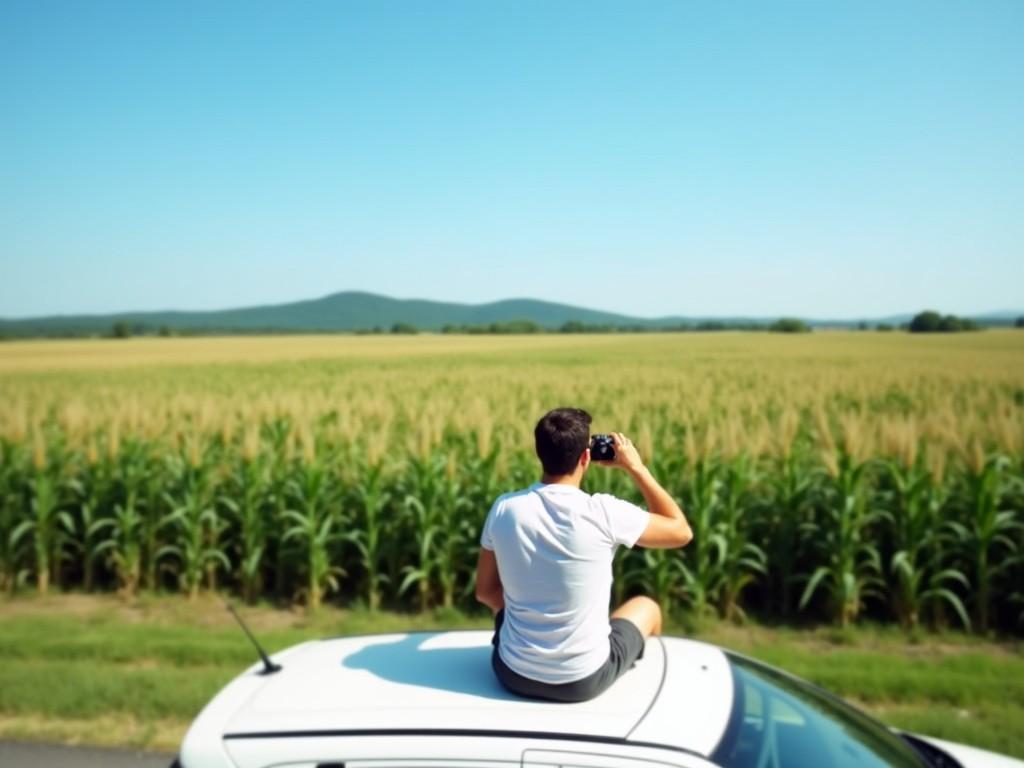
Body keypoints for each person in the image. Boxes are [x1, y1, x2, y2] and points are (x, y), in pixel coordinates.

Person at [475, 407, 692, 703]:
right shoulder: (603, 512)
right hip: (581, 681)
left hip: (512, 674)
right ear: (586, 457)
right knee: (647, 606)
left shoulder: (504, 509)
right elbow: (681, 532)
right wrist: (636, 468)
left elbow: (485, 592)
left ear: (539, 452)